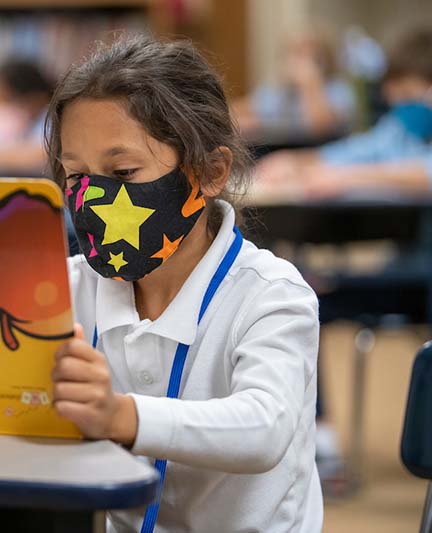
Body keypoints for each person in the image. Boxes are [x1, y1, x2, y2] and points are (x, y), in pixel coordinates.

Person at [47, 36, 321, 532]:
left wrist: (121, 416)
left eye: (123, 172)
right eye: (75, 175)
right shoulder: (62, 289)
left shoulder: (272, 293)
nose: (92, 199)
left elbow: (264, 428)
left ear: (210, 172)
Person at [256, 26, 432, 198]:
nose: (400, 104)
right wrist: (296, 163)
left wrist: (346, 177)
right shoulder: (398, 129)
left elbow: (425, 174)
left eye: (408, 95)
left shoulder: (339, 92)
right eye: (394, 98)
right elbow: (356, 151)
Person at [233, 27, 357, 139]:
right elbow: (240, 111)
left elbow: (321, 128)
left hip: (320, 151)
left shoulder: (338, 89)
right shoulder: (279, 89)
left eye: (307, 55)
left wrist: (310, 84)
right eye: (295, 53)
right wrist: (255, 123)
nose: (298, 62)